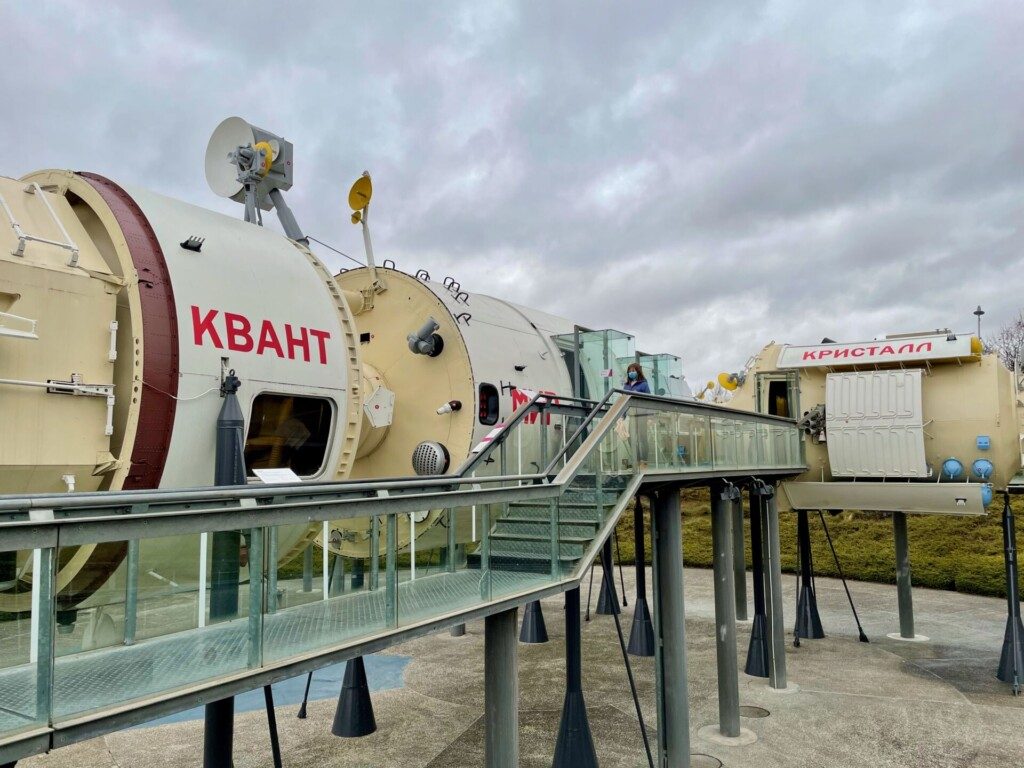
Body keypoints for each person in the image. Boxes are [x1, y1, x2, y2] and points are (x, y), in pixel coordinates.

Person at [622, 363, 651, 468]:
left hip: (642, 415)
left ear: (638, 372)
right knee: (631, 438)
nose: (631, 373)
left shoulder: (643, 384)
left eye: (633, 371)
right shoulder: (626, 386)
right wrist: (622, 416)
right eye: (629, 371)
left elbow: (649, 401)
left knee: (643, 438)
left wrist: (649, 417)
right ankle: (638, 460)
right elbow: (624, 402)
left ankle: (644, 461)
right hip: (632, 415)